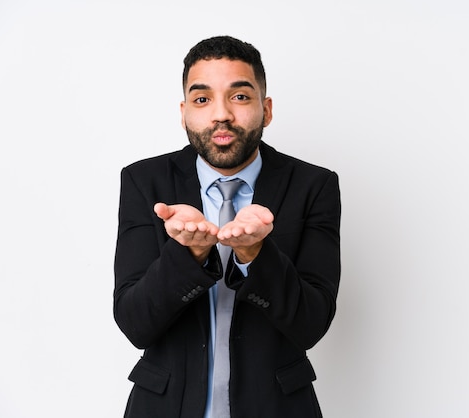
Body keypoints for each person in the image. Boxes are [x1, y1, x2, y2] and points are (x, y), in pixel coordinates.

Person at [113, 35, 341, 418]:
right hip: (166, 407)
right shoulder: (143, 181)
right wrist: (189, 253)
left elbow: (312, 325)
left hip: (277, 407)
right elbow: (135, 323)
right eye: (202, 99)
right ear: (184, 112)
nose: (221, 114)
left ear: (266, 110)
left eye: (239, 97)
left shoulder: (313, 185)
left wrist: (256, 255)